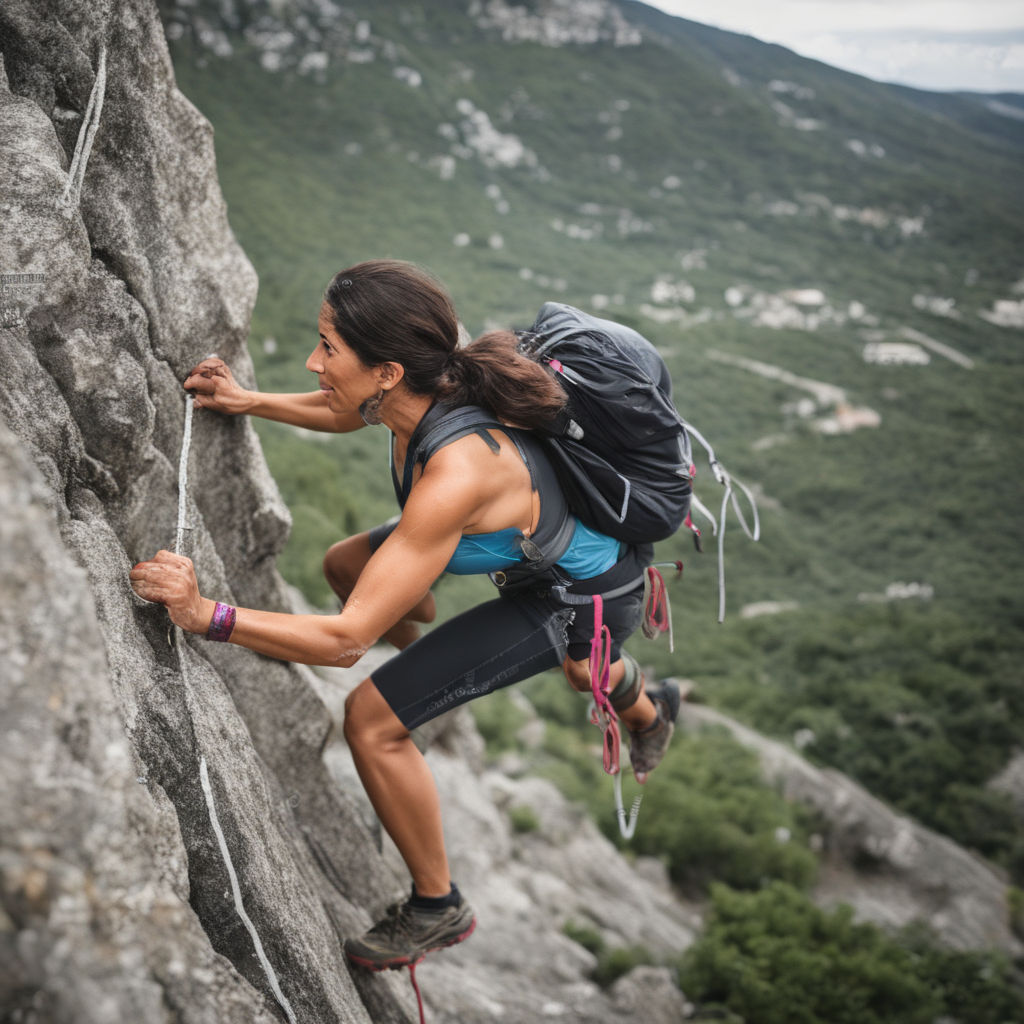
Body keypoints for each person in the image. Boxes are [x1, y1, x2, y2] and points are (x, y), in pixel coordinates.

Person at [129, 259, 681, 972]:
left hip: (584, 593)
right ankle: (428, 649)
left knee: (381, 717)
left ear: (387, 370)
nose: (313, 359)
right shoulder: (420, 386)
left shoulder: (457, 471)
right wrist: (246, 400)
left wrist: (207, 615)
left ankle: (438, 903)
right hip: (516, 548)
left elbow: (348, 641)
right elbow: (340, 408)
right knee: (343, 567)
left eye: (328, 348)